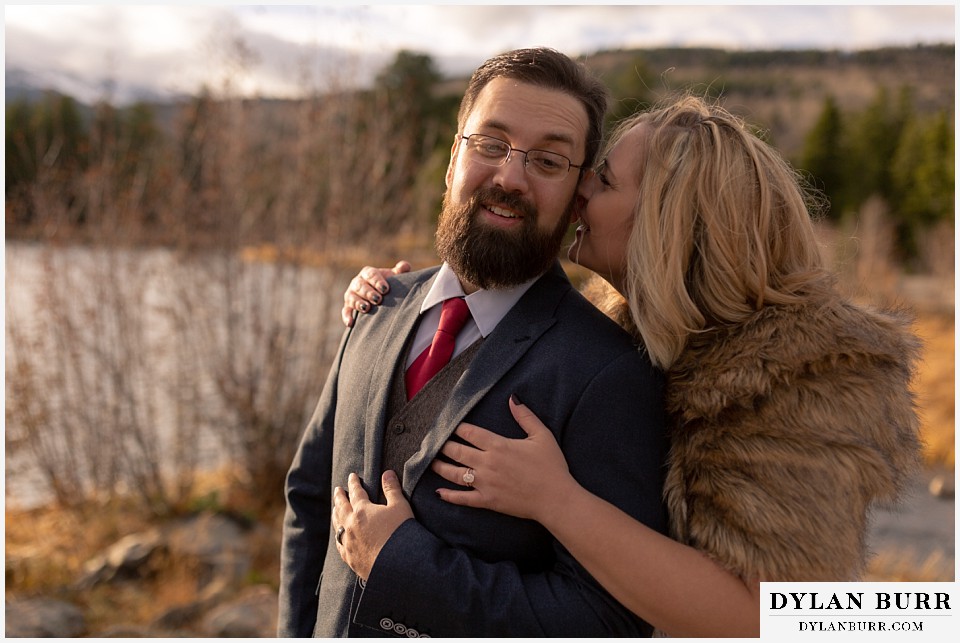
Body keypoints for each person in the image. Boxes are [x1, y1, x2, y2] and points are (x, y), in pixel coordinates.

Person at [340, 94, 923, 637]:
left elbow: (772, 619)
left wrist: (557, 500)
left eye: (607, 178)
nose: (582, 187)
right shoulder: (628, 330)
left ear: (667, 225)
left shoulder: (800, 380)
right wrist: (405, 301)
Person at [279, 47, 670, 638]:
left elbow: (607, 619)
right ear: (453, 157)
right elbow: (310, 499)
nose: (510, 177)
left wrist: (409, 566)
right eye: (490, 144)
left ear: (578, 195)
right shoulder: (376, 308)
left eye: (548, 160)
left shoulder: (608, 373)